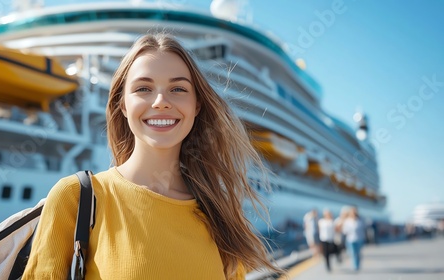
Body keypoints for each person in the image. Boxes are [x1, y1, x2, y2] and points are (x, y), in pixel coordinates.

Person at [22, 34, 283, 279]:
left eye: (178, 89)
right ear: (122, 105)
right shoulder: (76, 198)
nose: (160, 101)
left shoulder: (219, 213)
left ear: (197, 105)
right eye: (143, 89)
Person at [342, 206, 365, 272]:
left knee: (358, 253)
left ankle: (357, 264)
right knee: (353, 253)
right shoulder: (347, 220)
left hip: (359, 239)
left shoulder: (360, 219)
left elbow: (363, 228)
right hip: (350, 239)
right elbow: (344, 231)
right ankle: (355, 266)